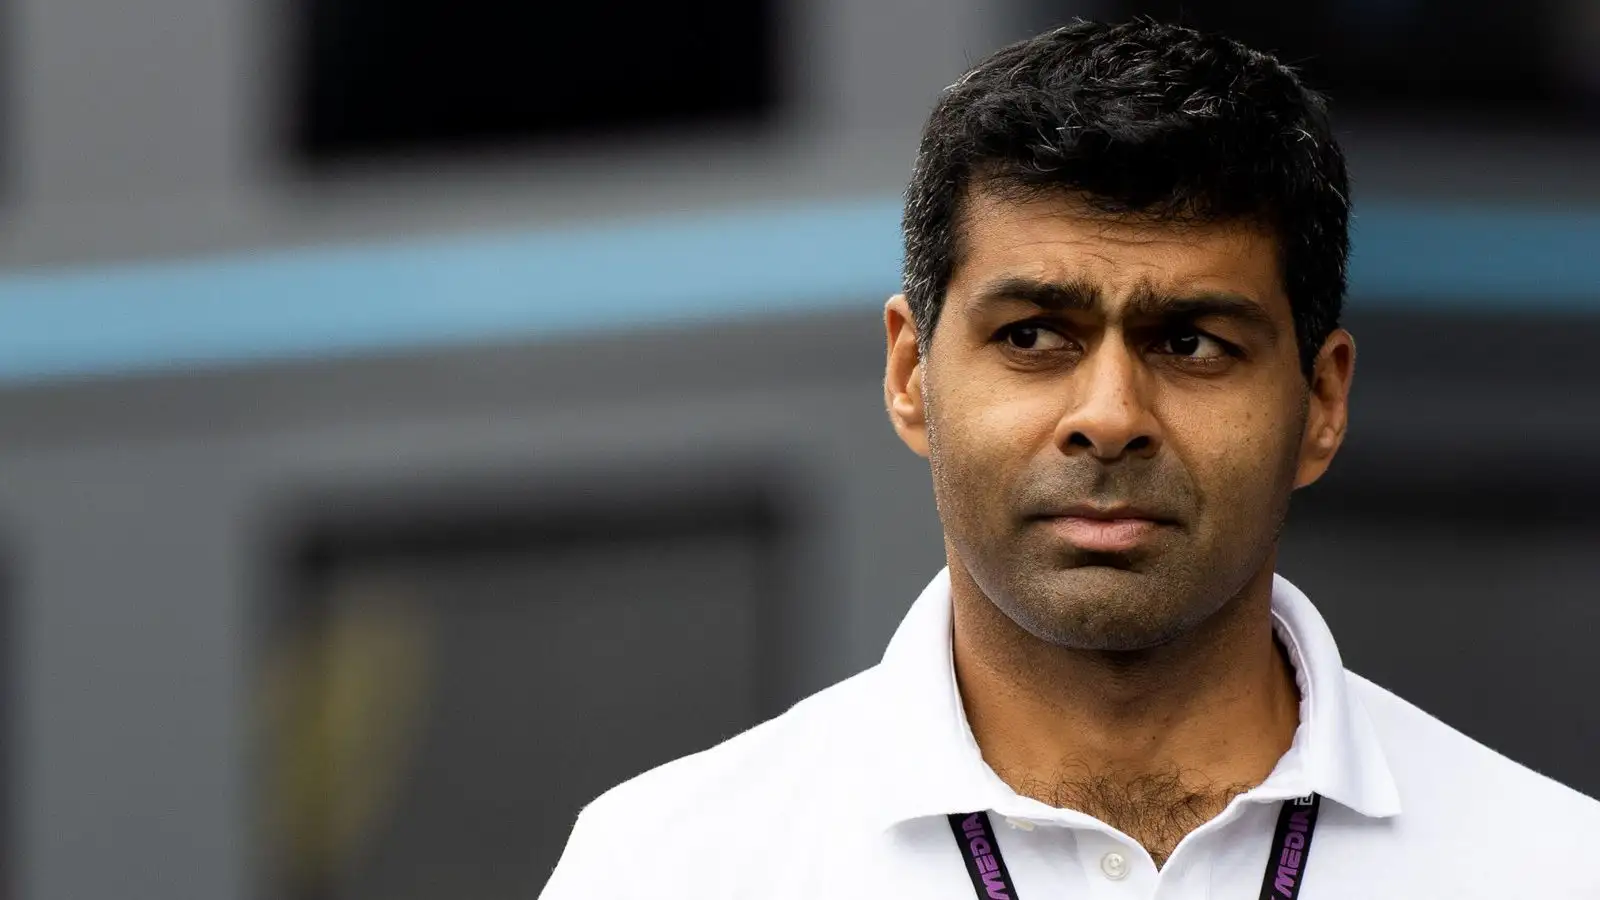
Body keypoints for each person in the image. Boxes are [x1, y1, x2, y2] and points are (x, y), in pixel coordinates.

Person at [540, 19, 1600, 898]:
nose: (1108, 416)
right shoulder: (668, 866)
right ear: (911, 373)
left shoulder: (1547, 868)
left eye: (1190, 342)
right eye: (1033, 336)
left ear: (1320, 402)